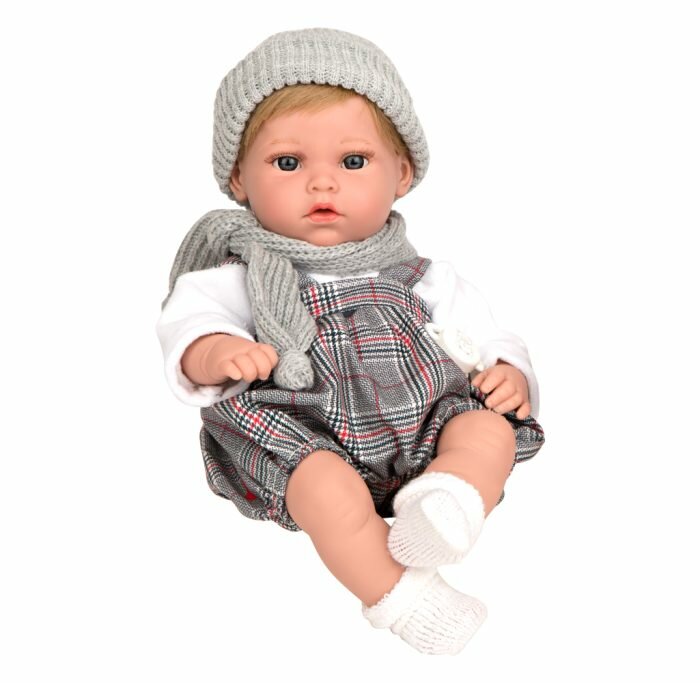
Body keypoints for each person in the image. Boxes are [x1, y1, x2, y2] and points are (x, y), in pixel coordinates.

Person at [156, 27, 545, 655]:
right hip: (305, 435)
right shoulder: (237, 276)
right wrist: (217, 352)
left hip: (423, 431)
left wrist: (509, 371)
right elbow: (187, 326)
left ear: (402, 172)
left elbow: (489, 337)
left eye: (353, 161)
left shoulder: (428, 277)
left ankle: (447, 498)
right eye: (288, 163)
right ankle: (402, 596)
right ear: (238, 179)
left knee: (485, 429)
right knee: (325, 490)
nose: (322, 184)